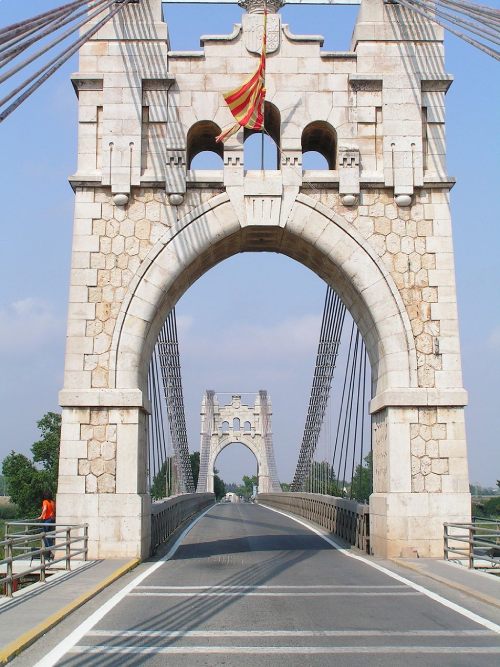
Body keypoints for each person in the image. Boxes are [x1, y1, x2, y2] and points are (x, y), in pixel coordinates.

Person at [37, 491, 56, 561]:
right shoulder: (52, 502)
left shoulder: (45, 501)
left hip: (47, 520)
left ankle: (50, 551)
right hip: (52, 520)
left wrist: (41, 516)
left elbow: (45, 509)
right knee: (49, 536)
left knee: (45, 536)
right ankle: (50, 551)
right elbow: (54, 511)